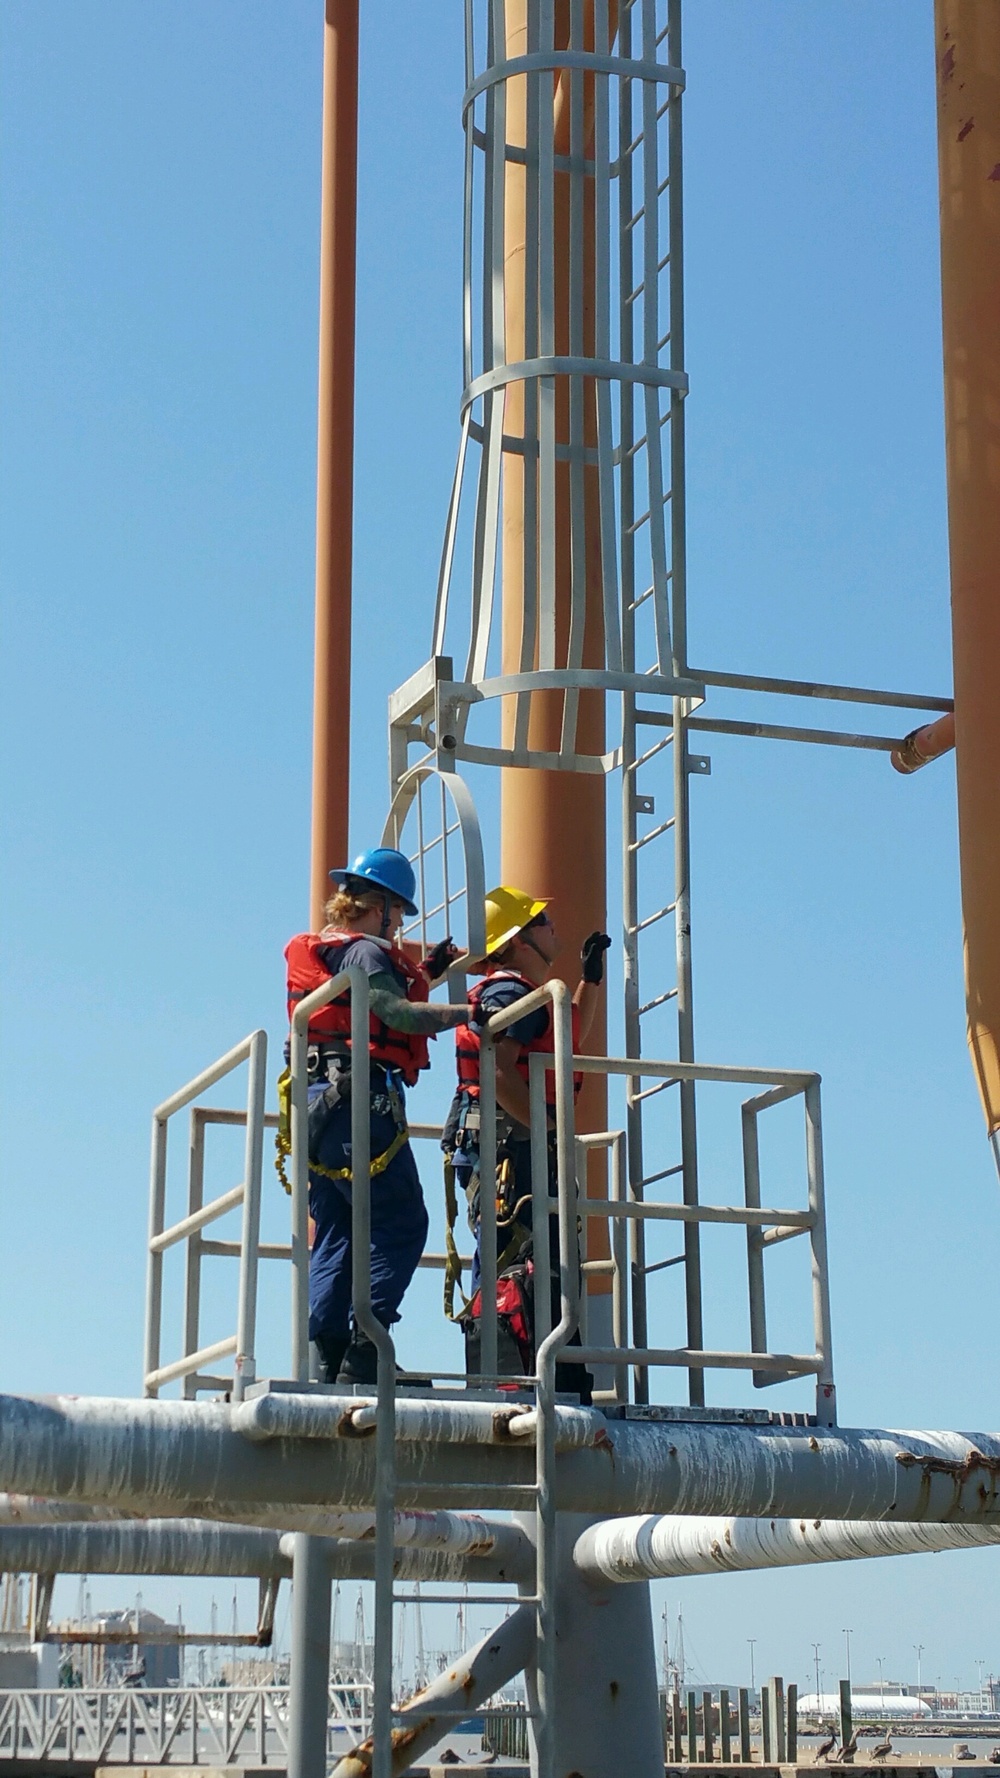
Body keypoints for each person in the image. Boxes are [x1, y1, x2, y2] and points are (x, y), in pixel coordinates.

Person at [285, 846, 471, 1386]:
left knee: (340, 1229)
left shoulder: (329, 950)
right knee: (400, 1221)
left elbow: (374, 1002)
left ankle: (333, 1357)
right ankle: (367, 1351)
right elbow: (396, 1014)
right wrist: (469, 1012)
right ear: (382, 907)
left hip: (317, 1108)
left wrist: (427, 972)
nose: (398, 927)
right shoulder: (367, 953)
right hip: (360, 1104)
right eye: (397, 914)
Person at [443, 884, 611, 1398]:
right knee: (521, 1255)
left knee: (515, 1256)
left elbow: (567, 1037)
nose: (552, 927)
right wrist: (547, 1132)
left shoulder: (524, 996)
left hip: (503, 1145)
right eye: (541, 922)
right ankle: (518, 1375)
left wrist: (590, 980)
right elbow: (500, 1070)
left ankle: (516, 1371)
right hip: (511, 1149)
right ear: (517, 940)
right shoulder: (509, 995)